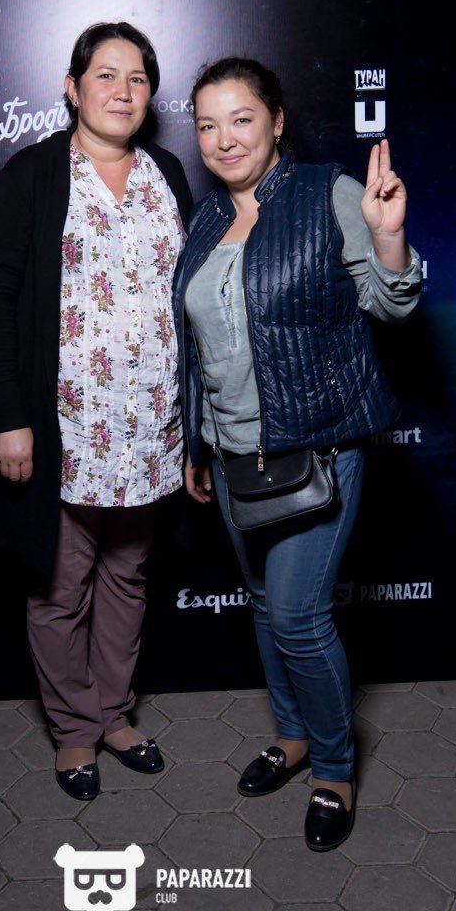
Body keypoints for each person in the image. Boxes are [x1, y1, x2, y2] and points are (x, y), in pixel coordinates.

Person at [174, 57, 421, 851]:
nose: (223, 140)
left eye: (241, 119)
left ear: (277, 120)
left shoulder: (328, 194)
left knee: (298, 617)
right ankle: (292, 738)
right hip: (233, 455)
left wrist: (389, 238)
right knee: (261, 605)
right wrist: (197, 441)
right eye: (207, 125)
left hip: (317, 448)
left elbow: (392, 305)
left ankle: (335, 772)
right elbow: (201, 348)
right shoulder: (206, 221)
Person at [0, 23, 193, 801]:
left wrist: (194, 428)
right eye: (105, 74)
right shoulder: (32, 174)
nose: (122, 91)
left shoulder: (167, 172)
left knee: (128, 576)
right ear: (72, 88)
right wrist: (10, 416)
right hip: (65, 427)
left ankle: (113, 715)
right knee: (61, 587)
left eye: (137, 78)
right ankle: (74, 730)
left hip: (151, 427)